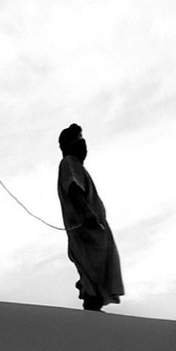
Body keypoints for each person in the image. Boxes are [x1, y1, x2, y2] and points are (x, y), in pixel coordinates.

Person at [56, 124, 123, 311]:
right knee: (93, 276)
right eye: (78, 138)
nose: (82, 142)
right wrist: (88, 215)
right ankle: (91, 312)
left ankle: (93, 310)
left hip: (94, 230)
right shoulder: (69, 163)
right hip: (87, 231)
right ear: (68, 144)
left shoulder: (77, 166)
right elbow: (74, 189)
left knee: (100, 276)